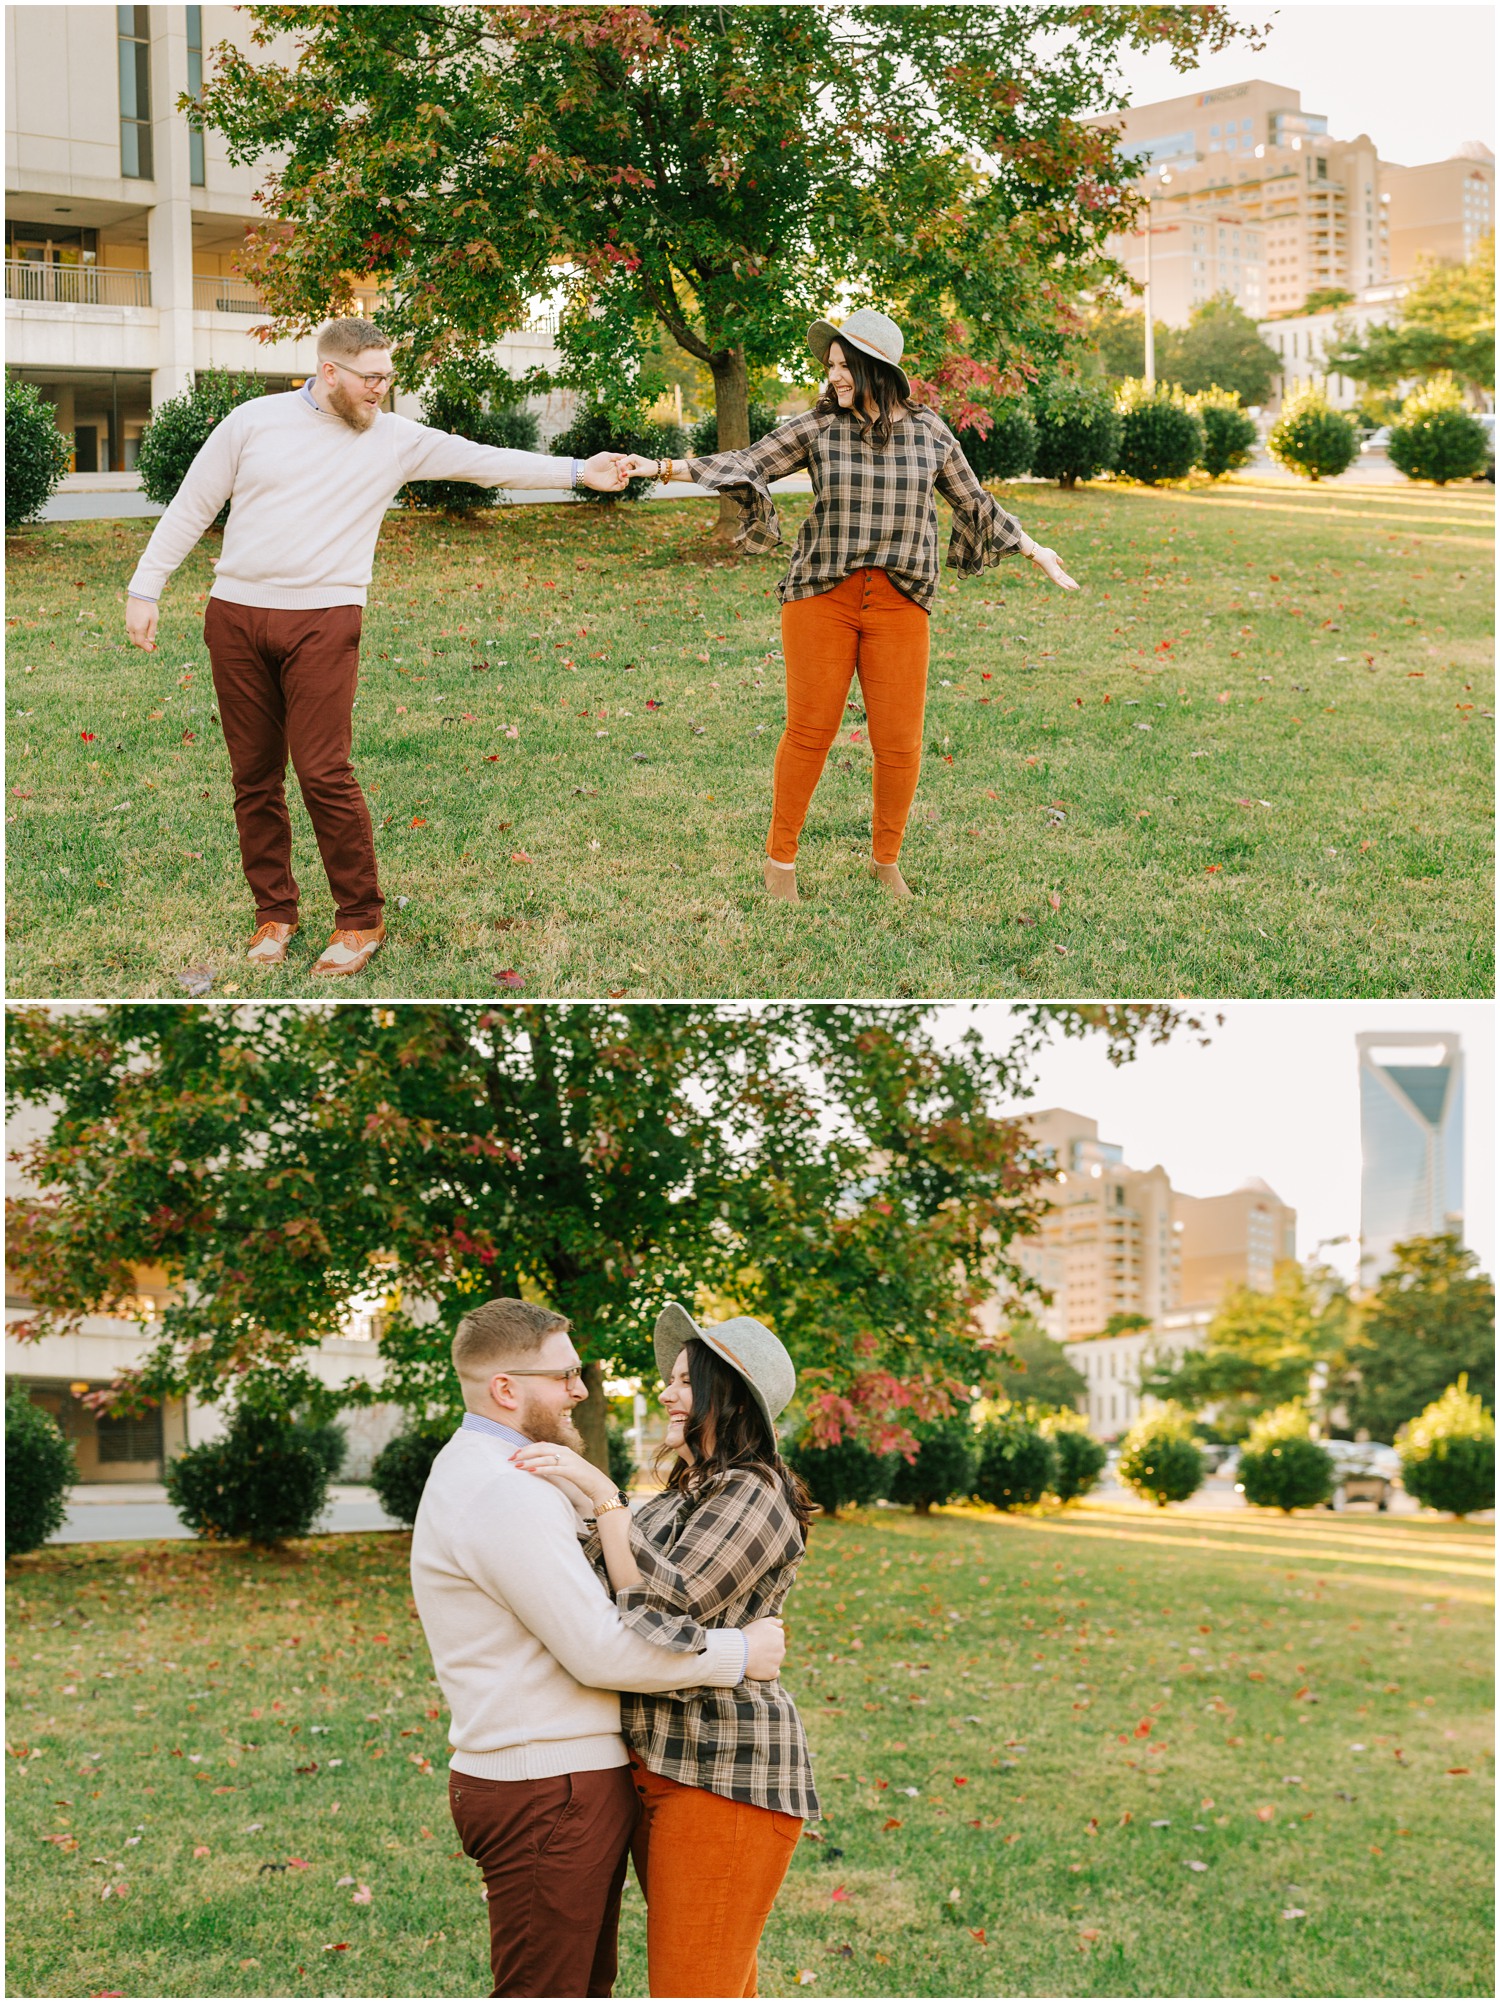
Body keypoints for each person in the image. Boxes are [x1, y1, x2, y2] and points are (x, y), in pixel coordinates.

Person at [123, 318, 630, 976]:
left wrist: (577, 471)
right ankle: (273, 912)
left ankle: (359, 920)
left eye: (389, 377)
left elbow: (482, 464)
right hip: (237, 616)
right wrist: (146, 586)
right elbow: (193, 505)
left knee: (325, 772)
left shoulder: (395, 439)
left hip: (324, 619)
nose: (382, 390)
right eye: (370, 378)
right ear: (329, 372)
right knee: (253, 777)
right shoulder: (254, 422)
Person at [622, 308, 1079, 901]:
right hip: (821, 596)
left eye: (843, 366)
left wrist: (1033, 548)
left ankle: (885, 859)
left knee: (900, 742)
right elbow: (747, 462)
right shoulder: (817, 427)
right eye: (830, 366)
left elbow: (976, 502)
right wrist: (660, 467)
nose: (833, 376)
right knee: (809, 732)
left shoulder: (931, 432)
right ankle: (780, 862)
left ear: (874, 368)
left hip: (900, 603)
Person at [409, 1296, 788, 2000]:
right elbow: (601, 1648)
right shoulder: (503, 1488)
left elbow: (644, 1586)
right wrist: (740, 1652)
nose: (585, 1389)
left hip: (622, 1772)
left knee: (608, 1984)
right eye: (567, 1374)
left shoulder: (514, 1474)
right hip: (547, 1782)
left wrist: (600, 1499)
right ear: (506, 1388)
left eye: (684, 1379)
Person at [513, 1301, 817, 2000]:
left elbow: (666, 1602)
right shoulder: (679, 1496)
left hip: (725, 1772)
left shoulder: (756, 1491)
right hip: (662, 1765)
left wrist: (599, 1492)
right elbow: (611, 1596)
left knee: (692, 1987)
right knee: (712, 1982)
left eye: (686, 1380)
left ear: (727, 1395)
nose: (666, 1391)